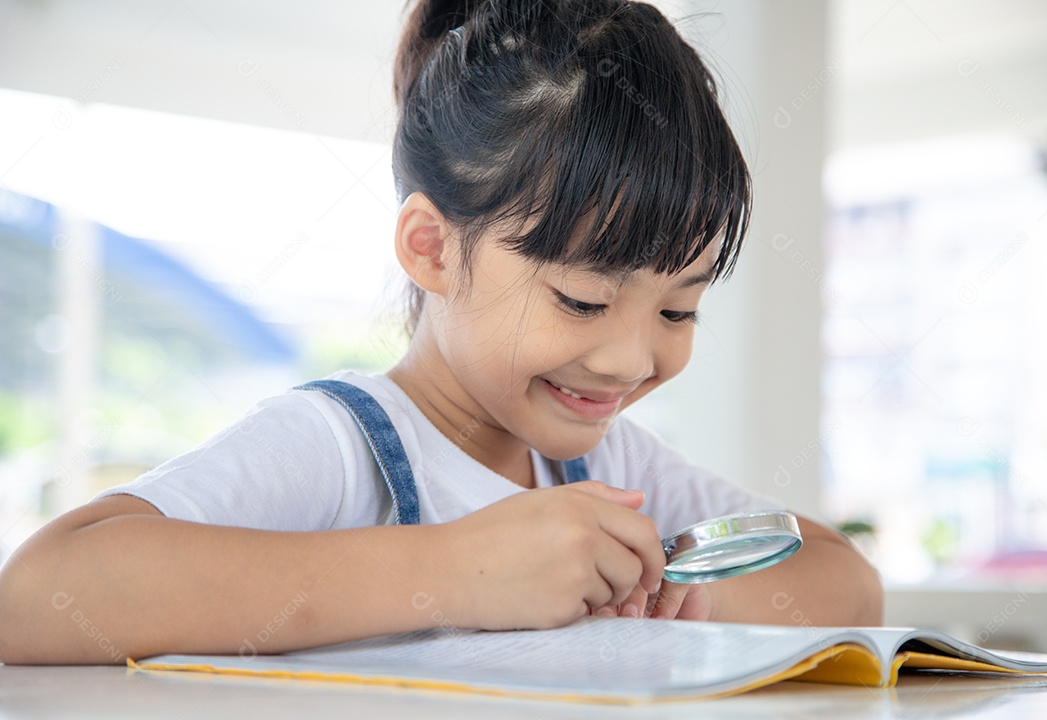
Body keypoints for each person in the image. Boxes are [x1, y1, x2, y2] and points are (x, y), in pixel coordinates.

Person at [0, 0, 882, 665]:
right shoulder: (341, 447)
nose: (630, 358)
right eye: (581, 299)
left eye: (678, 310)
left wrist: (678, 592)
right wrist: (455, 570)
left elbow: (845, 580)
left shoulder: (614, 472)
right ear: (432, 249)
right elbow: (40, 595)